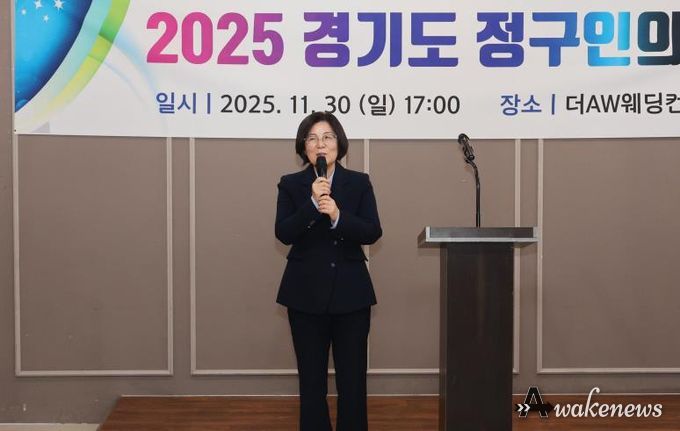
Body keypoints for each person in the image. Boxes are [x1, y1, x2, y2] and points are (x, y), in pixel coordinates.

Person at [275, 111, 382, 431]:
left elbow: (372, 231)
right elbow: (284, 233)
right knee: (311, 383)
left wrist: (337, 215)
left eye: (327, 137)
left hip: (352, 295)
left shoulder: (359, 182)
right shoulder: (291, 184)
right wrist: (311, 203)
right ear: (303, 147)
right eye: (312, 138)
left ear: (339, 143)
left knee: (353, 383)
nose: (320, 144)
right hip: (304, 296)